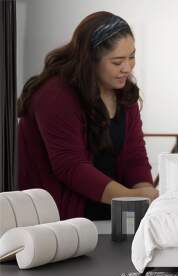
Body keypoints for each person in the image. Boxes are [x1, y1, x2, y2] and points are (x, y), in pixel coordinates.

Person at [17, 11, 159, 220]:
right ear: (90, 59)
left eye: (132, 57)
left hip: (109, 214)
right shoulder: (54, 94)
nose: (127, 68)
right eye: (117, 61)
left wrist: (145, 195)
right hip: (59, 221)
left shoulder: (123, 91)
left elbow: (134, 156)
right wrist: (130, 198)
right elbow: (70, 167)